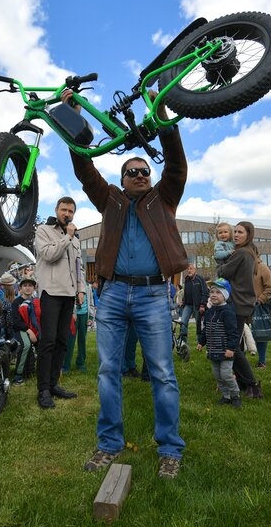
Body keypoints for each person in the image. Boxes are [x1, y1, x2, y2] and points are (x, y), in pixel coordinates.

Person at [64, 87, 186, 478]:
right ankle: (109, 443)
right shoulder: (111, 201)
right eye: (131, 172)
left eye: (143, 171)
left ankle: (170, 448)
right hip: (114, 293)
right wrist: (71, 117)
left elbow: (176, 165)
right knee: (107, 371)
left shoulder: (164, 198)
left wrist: (160, 111)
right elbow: (85, 169)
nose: (139, 175)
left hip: (153, 294)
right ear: (122, 179)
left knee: (162, 373)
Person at [34, 196, 83, 408]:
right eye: (64, 210)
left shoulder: (75, 238)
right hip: (51, 292)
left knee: (63, 340)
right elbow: (49, 255)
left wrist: (81, 289)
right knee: (48, 341)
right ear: (56, 210)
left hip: (69, 294)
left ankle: (53, 384)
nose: (67, 214)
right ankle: (43, 389)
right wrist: (67, 237)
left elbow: (79, 266)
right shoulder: (43, 231)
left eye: (71, 211)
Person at [217, 222, 264, 396]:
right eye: (235, 231)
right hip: (242, 302)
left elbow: (223, 272)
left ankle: (252, 385)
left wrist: (219, 266)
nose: (236, 235)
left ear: (248, 235)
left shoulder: (241, 253)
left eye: (240, 232)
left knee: (232, 346)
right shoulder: (249, 251)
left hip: (237, 303)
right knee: (232, 344)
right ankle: (244, 383)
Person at [198, 279, 241, 408]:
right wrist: (201, 342)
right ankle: (226, 396)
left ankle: (235, 395)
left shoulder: (228, 312)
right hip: (213, 350)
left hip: (225, 351)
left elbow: (234, 333)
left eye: (218, 292)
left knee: (226, 375)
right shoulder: (209, 312)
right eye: (212, 292)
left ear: (225, 295)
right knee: (218, 376)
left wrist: (231, 348)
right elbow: (206, 329)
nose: (214, 295)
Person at [10, 275, 39, 385]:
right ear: (20, 288)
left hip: (35, 329)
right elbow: (16, 322)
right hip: (21, 330)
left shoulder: (36, 301)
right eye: (25, 285)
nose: (27, 288)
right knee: (26, 345)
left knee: (46, 343)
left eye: (30, 285)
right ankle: (18, 375)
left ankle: (43, 371)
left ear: (34, 288)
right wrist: (29, 331)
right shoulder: (16, 302)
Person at [252, 250, 271, 369]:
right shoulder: (241, 267)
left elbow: (269, 288)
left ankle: (262, 360)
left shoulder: (263, 268)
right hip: (242, 305)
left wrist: (260, 300)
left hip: (258, 305)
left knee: (260, 333)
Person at [179, 263, 208, 347]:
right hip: (187, 306)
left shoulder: (200, 279)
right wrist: (183, 301)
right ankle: (183, 342)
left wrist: (202, 305)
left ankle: (200, 343)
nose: (189, 270)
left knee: (198, 325)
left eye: (191, 268)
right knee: (183, 323)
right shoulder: (186, 279)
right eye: (188, 269)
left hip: (197, 306)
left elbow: (205, 292)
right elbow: (186, 292)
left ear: (195, 269)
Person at [64, 285, 89, 373]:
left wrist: (90, 316)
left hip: (84, 314)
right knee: (70, 340)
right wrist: (71, 312)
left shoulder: (88, 286)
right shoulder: (72, 283)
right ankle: (66, 364)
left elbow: (90, 301)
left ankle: (80, 363)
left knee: (82, 339)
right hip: (73, 316)